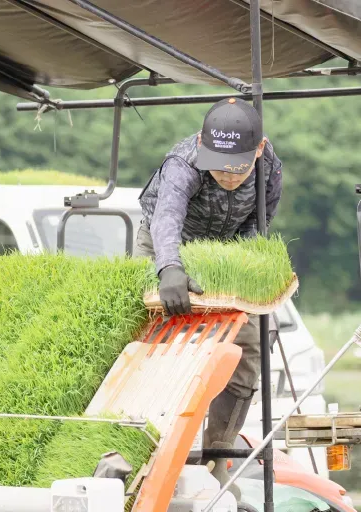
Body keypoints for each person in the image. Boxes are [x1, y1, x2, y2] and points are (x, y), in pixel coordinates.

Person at [135, 97, 282, 499]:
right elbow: (166, 216)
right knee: (159, 342)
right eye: (219, 167)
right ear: (202, 143)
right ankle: (147, 455)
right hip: (167, 247)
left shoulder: (269, 168)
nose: (229, 177)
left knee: (250, 347)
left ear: (258, 149)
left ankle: (215, 460)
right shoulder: (182, 163)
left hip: (225, 254)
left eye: (238, 168)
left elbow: (258, 225)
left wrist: (239, 273)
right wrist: (169, 268)